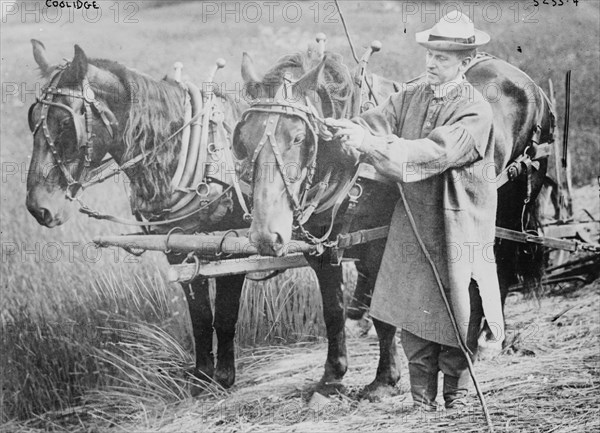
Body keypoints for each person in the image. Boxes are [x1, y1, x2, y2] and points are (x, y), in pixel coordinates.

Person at [325, 11, 505, 411]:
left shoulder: (475, 110)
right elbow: (376, 121)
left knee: (458, 312)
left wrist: (372, 145)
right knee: (414, 311)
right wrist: (342, 128)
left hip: (457, 224)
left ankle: (454, 403)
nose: (431, 63)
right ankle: (422, 406)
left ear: (465, 61)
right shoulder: (411, 95)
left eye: (442, 58)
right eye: (429, 54)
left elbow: (436, 152)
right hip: (413, 221)